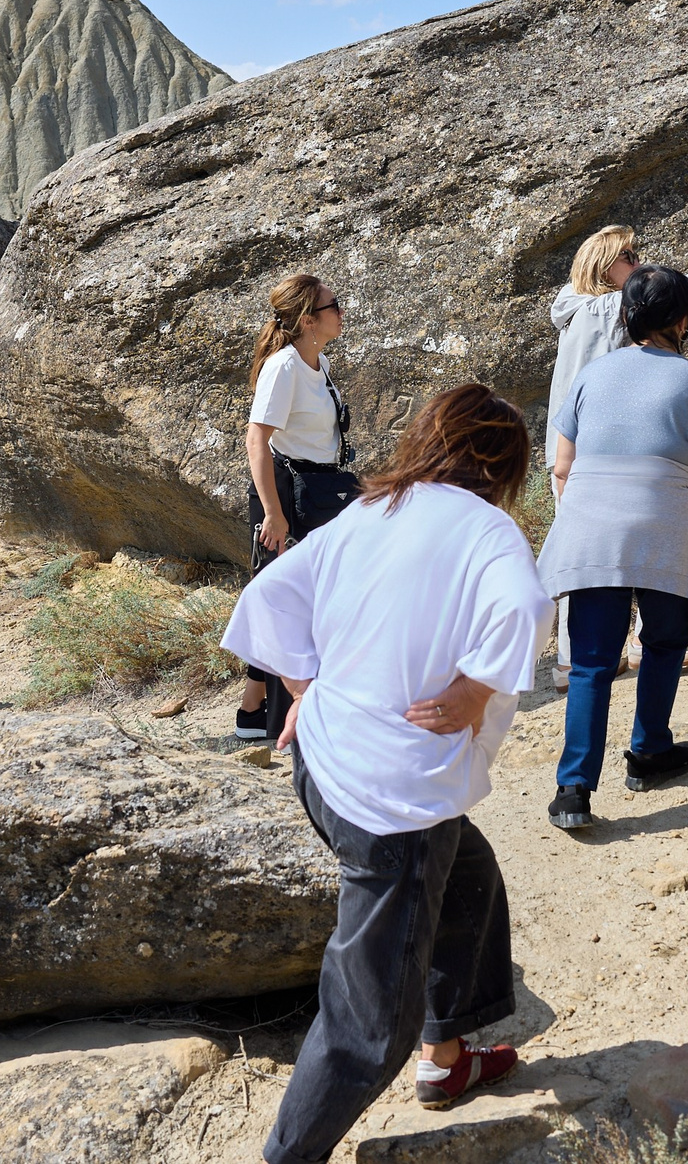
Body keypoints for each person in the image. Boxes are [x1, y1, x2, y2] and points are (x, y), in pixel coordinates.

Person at [222, 383, 551, 1164]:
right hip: (391, 797)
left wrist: (307, 688)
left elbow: (268, 595)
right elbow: (530, 610)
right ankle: (288, 1156)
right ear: (501, 464)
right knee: (370, 1019)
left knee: (468, 872)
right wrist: (474, 689)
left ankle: (449, 1054)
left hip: (324, 760)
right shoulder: (489, 529)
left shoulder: (372, 508)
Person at [534, 267, 688, 829]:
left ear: (628, 315)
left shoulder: (591, 376)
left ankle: (573, 791)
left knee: (592, 664)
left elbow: (563, 467)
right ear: (683, 319)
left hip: (590, 527)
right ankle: (648, 752)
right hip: (663, 526)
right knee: (664, 642)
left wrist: (591, 519)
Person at [544, 229, 688, 689]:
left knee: (585, 560)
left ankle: (574, 659)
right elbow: (671, 291)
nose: (640, 263)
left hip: (573, 453)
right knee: (656, 541)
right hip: (611, 455)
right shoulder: (603, 309)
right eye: (631, 256)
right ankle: (657, 643)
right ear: (606, 265)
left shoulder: (571, 309)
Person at [236, 273, 358, 744]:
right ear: (309, 319)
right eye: (335, 305)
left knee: (297, 602)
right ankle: (275, 717)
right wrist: (273, 513)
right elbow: (256, 439)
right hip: (286, 495)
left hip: (321, 489)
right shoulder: (284, 366)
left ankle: (254, 710)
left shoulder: (317, 362)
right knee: (283, 604)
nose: (341, 311)